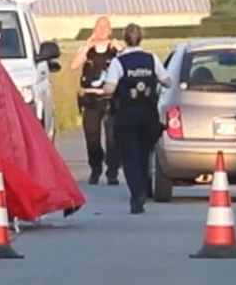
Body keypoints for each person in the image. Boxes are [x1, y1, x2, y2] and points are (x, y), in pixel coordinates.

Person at [99, 22, 172, 214]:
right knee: (143, 154)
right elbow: (167, 81)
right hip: (148, 113)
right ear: (142, 38)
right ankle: (143, 189)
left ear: (124, 39)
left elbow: (110, 89)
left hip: (127, 113)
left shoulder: (118, 62)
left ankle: (137, 194)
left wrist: (104, 89)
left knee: (129, 156)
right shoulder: (151, 59)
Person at [67, 16, 122, 184]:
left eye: (105, 27)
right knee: (92, 136)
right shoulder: (88, 49)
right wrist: (86, 47)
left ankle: (112, 171)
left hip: (110, 98)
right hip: (91, 98)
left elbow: (126, 64)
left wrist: (120, 50)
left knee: (113, 136)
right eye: (99, 26)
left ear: (110, 30)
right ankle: (95, 168)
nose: (102, 29)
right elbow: (73, 65)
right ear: (94, 29)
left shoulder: (115, 50)